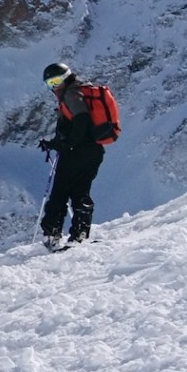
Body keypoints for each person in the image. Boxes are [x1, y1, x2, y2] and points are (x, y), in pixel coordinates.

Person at [38, 63, 105, 249]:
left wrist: (67, 144)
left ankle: (52, 234)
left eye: (57, 81)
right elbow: (72, 127)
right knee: (80, 192)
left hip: (76, 153)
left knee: (59, 192)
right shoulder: (80, 91)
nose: (54, 87)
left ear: (66, 77)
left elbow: (81, 120)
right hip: (93, 152)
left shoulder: (72, 93)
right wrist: (54, 143)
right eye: (50, 84)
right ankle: (80, 234)